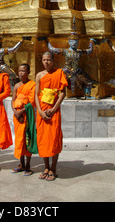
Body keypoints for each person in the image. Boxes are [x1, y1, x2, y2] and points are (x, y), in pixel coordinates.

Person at [35, 51, 67, 181]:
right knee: (43, 140)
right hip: (42, 111)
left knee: (54, 139)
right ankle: (46, 167)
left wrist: (54, 109)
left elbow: (63, 93)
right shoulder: (39, 75)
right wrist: (40, 112)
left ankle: (53, 167)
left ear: (53, 61)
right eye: (44, 60)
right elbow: (36, 95)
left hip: (53, 111)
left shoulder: (59, 73)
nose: (46, 62)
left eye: (48, 60)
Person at [11, 63, 36, 176]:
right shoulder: (16, 86)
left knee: (27, 139)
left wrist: (20, 112)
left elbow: (31, 102)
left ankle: (28, 165)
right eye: (19, 70)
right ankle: (21, 164)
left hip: (27, 115)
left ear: (28, 72)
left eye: (23, 71)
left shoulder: (32, 85)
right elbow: (13, 100)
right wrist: (15, 112)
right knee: (19, 140)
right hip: (17, 116)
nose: (21, 73)